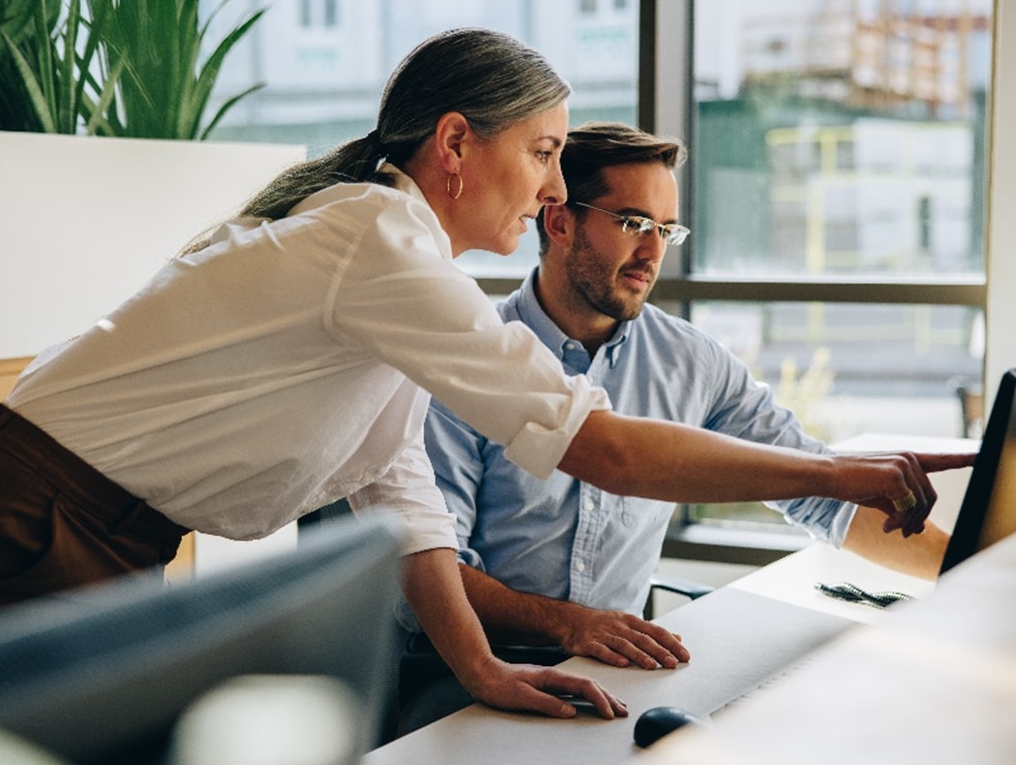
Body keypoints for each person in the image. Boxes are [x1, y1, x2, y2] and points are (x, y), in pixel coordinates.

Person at [0, 28, 970, 723]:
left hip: (94, 532)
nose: (552, 185)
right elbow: (598, 446)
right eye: (543, 151)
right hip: (23, 528)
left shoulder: (400, 273)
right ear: (456, 143)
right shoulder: (378, 244)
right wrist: (841, 476)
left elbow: (398, 493)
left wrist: (483, 671)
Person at [393, 122, 956, 730]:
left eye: (666, 230)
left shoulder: (690, 361)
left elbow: (823, 496)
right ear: (559, 221)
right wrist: (572, 623)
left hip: (617, 670)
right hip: (468, 670)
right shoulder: (468, 358)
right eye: (634, 224)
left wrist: (968, 577)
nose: (654, 252)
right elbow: (432, 565)